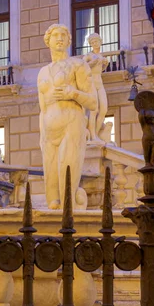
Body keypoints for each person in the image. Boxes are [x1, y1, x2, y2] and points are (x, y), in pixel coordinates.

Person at [37, 24, 97, 209]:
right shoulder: (43, 72)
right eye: (55, 35)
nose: (60, 38)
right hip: (49, 131)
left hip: (71, 124)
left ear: (69, 41)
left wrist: (74, 93)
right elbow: (42, 108)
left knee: (67, 180)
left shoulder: (78, 65)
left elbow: (93, 102)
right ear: (48, 40)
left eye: (64, 34)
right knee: (53, 199)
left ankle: (69, 222)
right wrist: (42, 136)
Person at [83, 33, 109, 144]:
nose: (94, 44)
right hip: (91, 84)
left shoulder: (101, 55)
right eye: (92, 42)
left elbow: (101, 70)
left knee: (104, 110)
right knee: (94, 110)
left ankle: (96, 133)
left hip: (100, 84)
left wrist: (105, 64)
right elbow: (81, 66)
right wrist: (91, 63)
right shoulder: (89, 55)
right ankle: (93, 136)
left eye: (96, 41)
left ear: (100, 41)